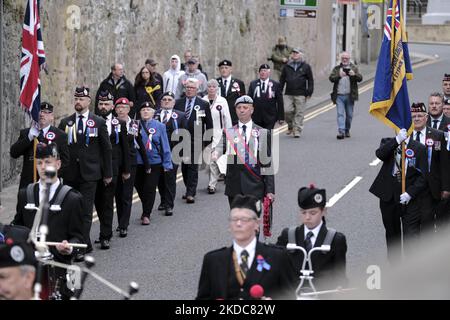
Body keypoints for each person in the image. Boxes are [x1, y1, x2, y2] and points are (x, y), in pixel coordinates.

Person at [12, 143, 84, 299]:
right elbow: (17, 227)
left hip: (62, 269)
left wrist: (69, 248)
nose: (43, 167)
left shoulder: (72, 198)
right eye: (40, 163)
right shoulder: (25, 194)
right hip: (30, 270)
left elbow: (80, 239)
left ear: (58, 164)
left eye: (48, 162)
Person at [196, 194, 296, 300]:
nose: (238, 224)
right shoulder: (213, 260)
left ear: (257, 224)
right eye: (234, 219)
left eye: (244, 219)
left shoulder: (278, 257)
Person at [58, 86, 113, 262]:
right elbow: (60, 149)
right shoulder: (66, 123)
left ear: (89, 102)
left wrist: (108, 173)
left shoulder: (98, 122)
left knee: (85, 212)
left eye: (81, 99)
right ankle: (84, 242)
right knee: (71, 211)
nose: (78, 102)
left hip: (90, 174)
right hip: (70, 174)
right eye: (75, 98)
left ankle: (80, 247)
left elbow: (106, 149)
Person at [369, 119, 428, 263]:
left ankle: (410, 268)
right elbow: (380, 154)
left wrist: (410, 193)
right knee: (392, 234)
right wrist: (397, 140)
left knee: (410, 235)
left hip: (409, 199)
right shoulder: (388, 142)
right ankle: (395, 268)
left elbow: (423, 176)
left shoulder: (419, 148)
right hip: (388, 197)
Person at [276, 185, 347, 292]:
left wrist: (340, 287)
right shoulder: (288, 236)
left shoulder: (336, 239)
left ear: (324, 211)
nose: (307, 217)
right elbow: (277, 267)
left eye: (313, 213)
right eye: (303, 212)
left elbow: (340, 274)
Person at [213, 95, 274, 208]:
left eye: (245, 107)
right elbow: (221, 145)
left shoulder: (262, 132)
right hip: (234, 184)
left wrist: (270, 190)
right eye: (239, 107)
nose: (241, 110)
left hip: (254, 183)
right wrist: (216, 152)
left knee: (252, 219)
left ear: (252, 110)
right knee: (236, 220)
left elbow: (267, 163)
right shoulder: (229, 132)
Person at [93, 94, 131, 249]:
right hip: (95, 169)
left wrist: (126, 169)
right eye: (101, 103)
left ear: (111, 106)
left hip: (113, 169)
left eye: (106, 104)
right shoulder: (92, 122)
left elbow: (125, 148)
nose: (103, 106)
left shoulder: (119, 123)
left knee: (108, 202)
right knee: (98, 203)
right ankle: (104, 229)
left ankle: (105, 235)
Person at [10, 102, 69, 189]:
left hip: (50, 184)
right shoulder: (26, 133)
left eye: (46, 112)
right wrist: (29, 138)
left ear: (52, 117)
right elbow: (14, 153)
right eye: (40, 111)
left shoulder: (60, 135)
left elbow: (65, 161)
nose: (42, 114)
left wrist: (52, 174)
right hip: (28, 184)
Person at [410, 102, 450, 230]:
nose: (417, 119)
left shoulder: (437, 135)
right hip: (410, 188)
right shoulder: (405, 136)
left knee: (427, 226)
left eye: (420, 116)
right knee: (411, 229)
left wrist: (446, 188)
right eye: (414, 116)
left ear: (426, 117)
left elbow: (444, 164)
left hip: (429, 188)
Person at [174, 78, 213, 203]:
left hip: (196, 140)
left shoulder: (203, 104)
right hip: (181, 139)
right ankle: (188, 188)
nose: (189, 90)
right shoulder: (177, 103)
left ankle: (191, 192)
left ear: (197, 90)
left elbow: (209, 124)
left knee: (192, 167)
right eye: (188, 88)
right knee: (185, 167)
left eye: (192, 88)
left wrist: (207, 142)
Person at [114, 95, 147, 236]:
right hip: (116, 162)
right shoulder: (112, 123)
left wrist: (146, 162)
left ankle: (123, 225)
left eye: (124, 107)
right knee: (118, 194)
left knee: (127, 194)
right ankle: (120, 220)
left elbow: (139, 143)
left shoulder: (134, 124)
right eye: (119, 107)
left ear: (129, 109)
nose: (121, 110)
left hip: (131, 162)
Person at [135, 102, 172, 225]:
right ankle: (146, 206)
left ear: (153, 112)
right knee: (140, 188)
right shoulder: (135, 125)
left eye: (148, 109)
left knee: (150, 188)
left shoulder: (160, 126)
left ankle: (146, 214)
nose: (145, 111)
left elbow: (165, 145)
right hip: (138, 162)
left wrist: (167, 164)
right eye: (143, 110)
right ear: (140, 113)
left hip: (154, 162)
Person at [155, 91, 186, 216]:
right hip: (157, 152)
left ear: (174, 102)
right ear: (161, 102)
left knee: (170, 178)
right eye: (164, 99)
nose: (166, 101)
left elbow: (185, 135)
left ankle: (169, 205)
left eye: (169, 99)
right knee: (160, 179)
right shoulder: (154, 114)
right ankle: (163, 200)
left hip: (174, 152)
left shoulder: (181, 116)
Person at [202, 79, 232, 194]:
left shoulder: (222, 101)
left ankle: (212, 185)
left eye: (214, 86)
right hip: (205, 134)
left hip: (219, 134)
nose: (211, 88)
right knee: (208, 160)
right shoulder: (202, 100)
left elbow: (227, 118)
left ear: (217, 88)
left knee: (214, 159)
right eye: (209, 86)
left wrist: (229, 133)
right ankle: (219, 176)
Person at [280, 48, 314, 138]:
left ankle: (297, 130)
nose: (294, 54)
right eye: (293, 53)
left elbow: (310, 80)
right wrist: (279, 91)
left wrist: (309, 92)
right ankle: (291, 125)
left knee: (299, 112)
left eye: (296, 53)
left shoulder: (306, 67)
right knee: (286, 111)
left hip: (301, 93)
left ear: (301, 55)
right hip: (289, 93)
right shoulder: (287, 66)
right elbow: (282, 80)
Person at [329, 52, 363, 139]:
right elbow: (331, 78)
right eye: (343, 58)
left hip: (350, 96)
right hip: (339, 96)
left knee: (349, 115)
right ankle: (341, 131)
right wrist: (339, 76)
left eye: (346, 58)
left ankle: (347, 130)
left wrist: (354, 75)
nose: (344, 59)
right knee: (340, 114)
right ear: (341, 59)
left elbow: (360, 78)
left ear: (349, 59)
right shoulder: (337, 68)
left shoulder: (354, 68)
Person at [248, 64, 285, 129]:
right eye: (261, 71)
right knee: (257, 136)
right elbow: (249, 100)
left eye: (265, 71)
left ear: (269, 73)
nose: (263, 72)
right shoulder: (253, 84)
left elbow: (280, 101)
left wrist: (281, 117)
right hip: (256, 116)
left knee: (268, 136)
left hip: (270, 116)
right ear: (259, 72)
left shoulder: (275, 84)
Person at [216, 59, 246, 125]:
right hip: (219, 116)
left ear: (231, 69)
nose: (224, 70)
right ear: (219, 70)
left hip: (234, 116)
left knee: (233, 135)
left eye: (226, 68)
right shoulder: (216, 82)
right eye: (222, 68)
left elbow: (243, 100)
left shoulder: (238, 83)